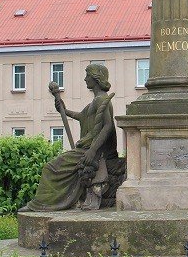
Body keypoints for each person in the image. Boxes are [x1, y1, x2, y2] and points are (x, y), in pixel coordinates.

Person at [20, 64, 123, 212]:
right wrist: (63, 109)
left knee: (51, 168)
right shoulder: (95, 101)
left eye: (87, 75)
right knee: (52, 168)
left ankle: (44, 204)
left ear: (96, 78)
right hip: (87, 148)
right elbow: (82, 116)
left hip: (91, 150)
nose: (85, 78)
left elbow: (108, 127)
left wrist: (92, 151)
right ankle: (49, 203)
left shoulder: (102, 100)